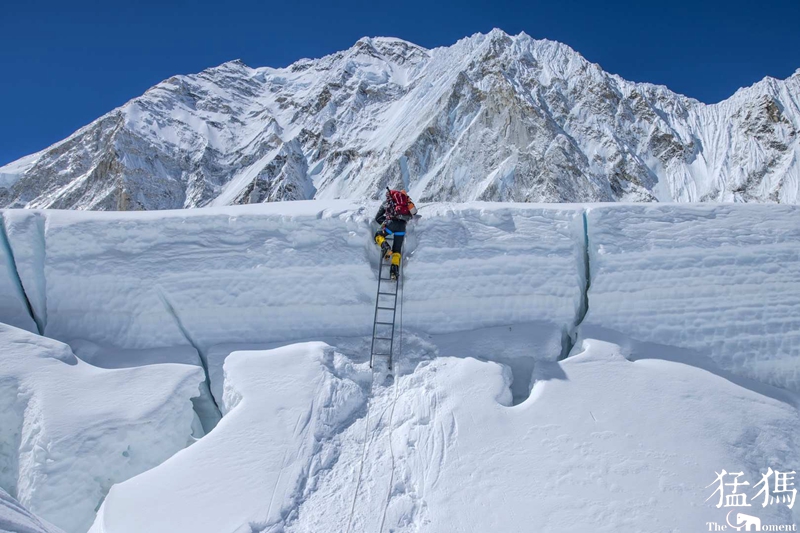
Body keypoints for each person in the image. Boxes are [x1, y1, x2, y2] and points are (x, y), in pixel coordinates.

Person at [374, 188, 417, 280]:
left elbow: (377, 218)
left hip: (391, 225)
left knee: (378, 236)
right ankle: (394, 272)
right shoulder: (406, 203)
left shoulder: (388, 202)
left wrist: (385, 221)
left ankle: (385, 247)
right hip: (401, 227)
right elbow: (414, 212)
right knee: (397, 251)